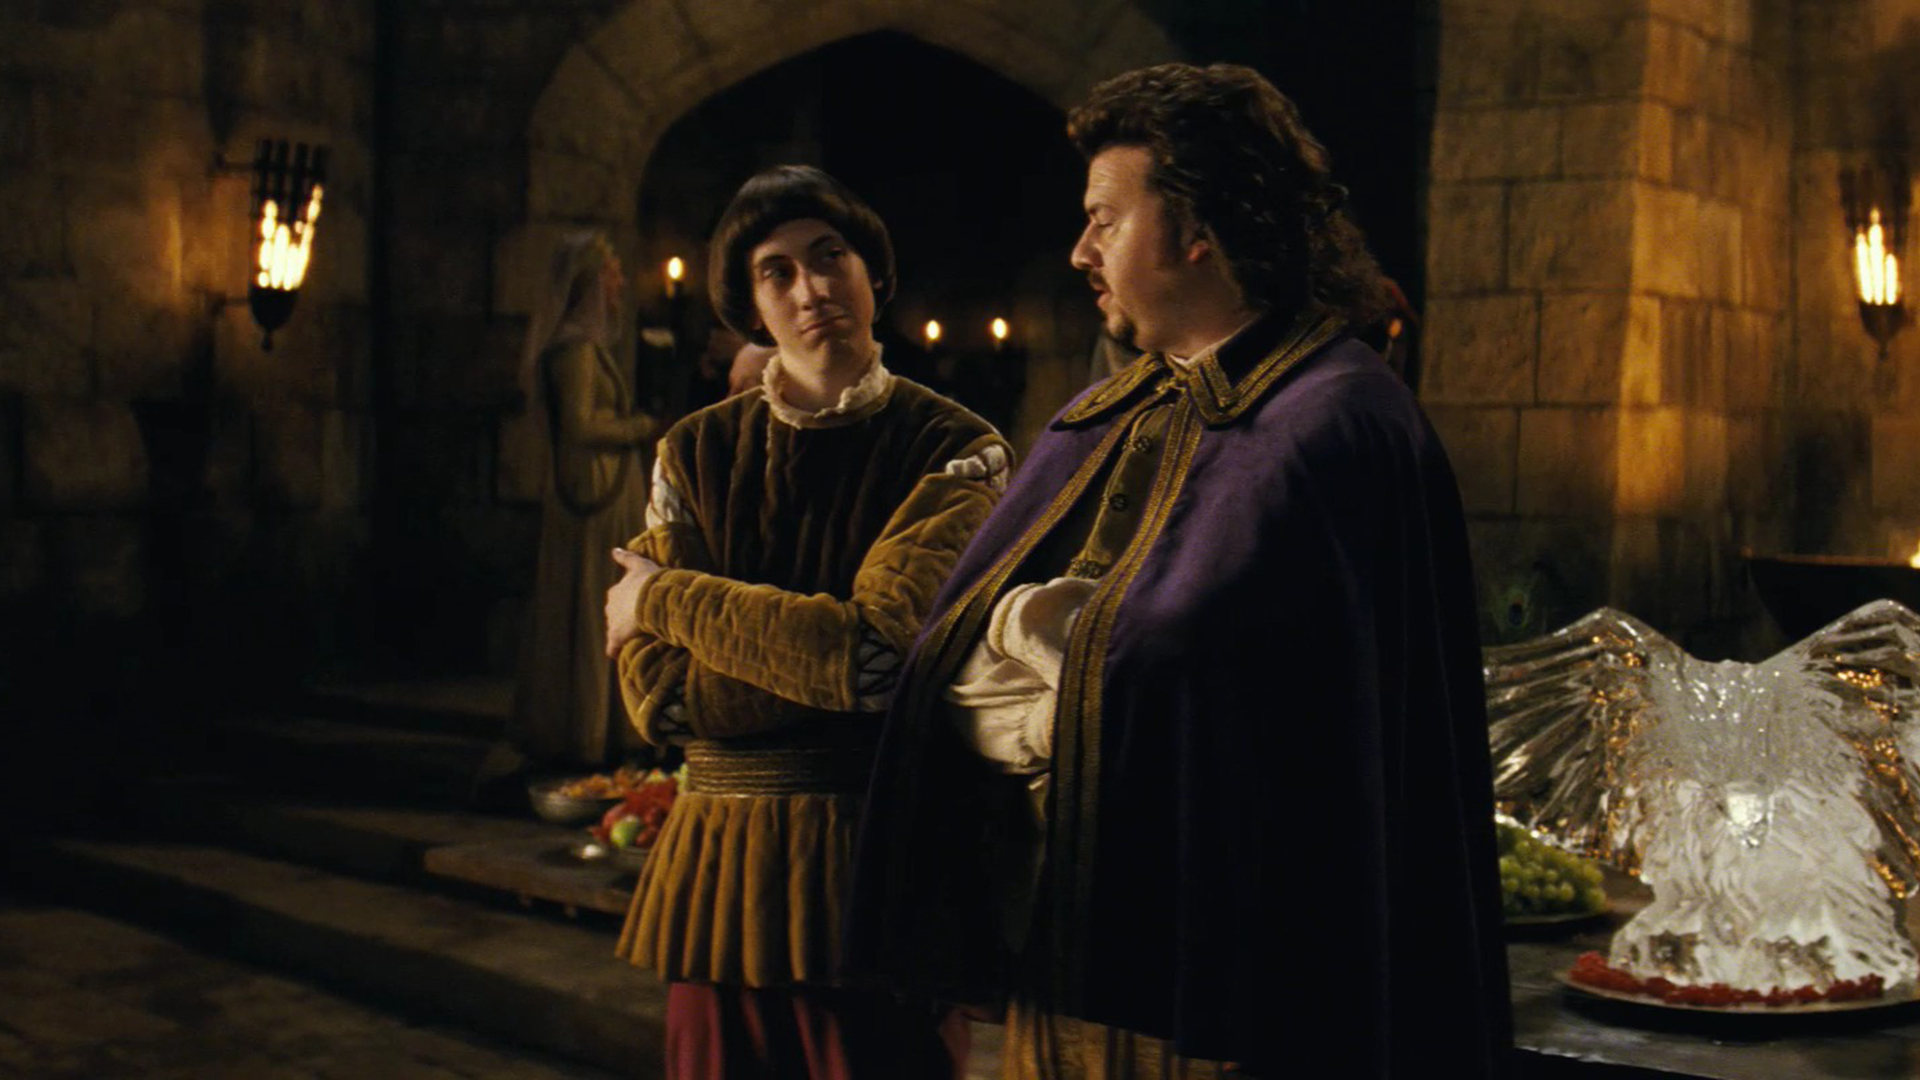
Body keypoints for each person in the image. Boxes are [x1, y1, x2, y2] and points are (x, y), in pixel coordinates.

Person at [850, 63, 1512, 1079]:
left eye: (1105, 222)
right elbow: (952, 656)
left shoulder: (1335, 423)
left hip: (1228, 1007)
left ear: (1198, 228)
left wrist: (1055, 670)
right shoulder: (1103, 418)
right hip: (1056, 977)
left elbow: (1252, 708)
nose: (1082, 252)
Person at [602, 165, 1011, 1079]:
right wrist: (811, 663)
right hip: (717, 876)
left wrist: (663, 600)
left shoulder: (956, 448)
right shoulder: (695, 450)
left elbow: (873, 660)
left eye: (830, 257)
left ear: (873, 273)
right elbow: (661, 702)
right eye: (776, 272)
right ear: (751, 307)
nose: (811, 288)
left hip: (873, 866)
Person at [502, 232, 658, 775]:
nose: (619, 283)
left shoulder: (583, 348)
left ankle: (603, 724)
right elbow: (581, 425)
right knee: (593, 603)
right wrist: (640, 426)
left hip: (600, 491)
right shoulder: (575, 351)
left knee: (593, 603)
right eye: (611, 273)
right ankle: (586, 729)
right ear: (591, 282)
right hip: (593, 497)